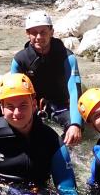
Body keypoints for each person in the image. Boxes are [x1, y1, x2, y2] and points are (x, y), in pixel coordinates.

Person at [11, 11, 83, 146]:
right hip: (33, 106)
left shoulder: (67, 57)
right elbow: (14, 94)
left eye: (43, 32)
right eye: (34, 33)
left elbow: (75, 90)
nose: (39, 37)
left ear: (51, 32)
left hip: (61, 105)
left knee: (75, 131)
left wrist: (75, 124)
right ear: (27, 34)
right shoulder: (20, 60)